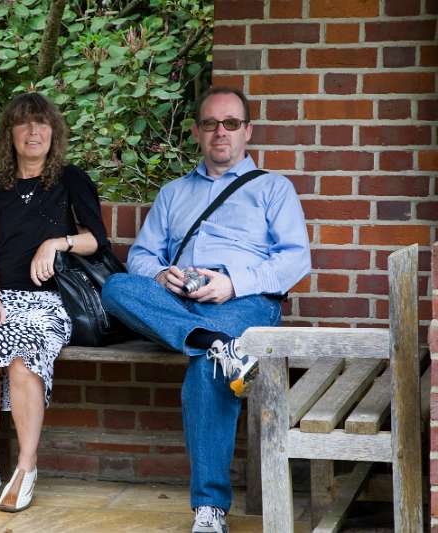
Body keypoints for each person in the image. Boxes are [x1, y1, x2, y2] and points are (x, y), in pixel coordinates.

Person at [101, 86, 310, 533]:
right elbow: (140, 257)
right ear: (197, 132)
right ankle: (212, 343)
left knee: (207, 370)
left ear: (247, 131)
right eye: (211, 124)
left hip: (245, 302)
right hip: (178, 299)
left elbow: (295, 259)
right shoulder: (174, 193)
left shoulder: (274, 189)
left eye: (231, 123)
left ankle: (209, 509)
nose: (221, 132)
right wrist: (162, 276)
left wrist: (233, 284)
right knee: (117, 286)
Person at [0, 93, 108, 513]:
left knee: (25, 360)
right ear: (10, 133)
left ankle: (26, 467)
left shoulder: (70, 179)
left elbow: (96, 240)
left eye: (41, 123)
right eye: (23, 123)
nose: (33, 131)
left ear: (53, 132)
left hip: (49, 302)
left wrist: (56, 242)